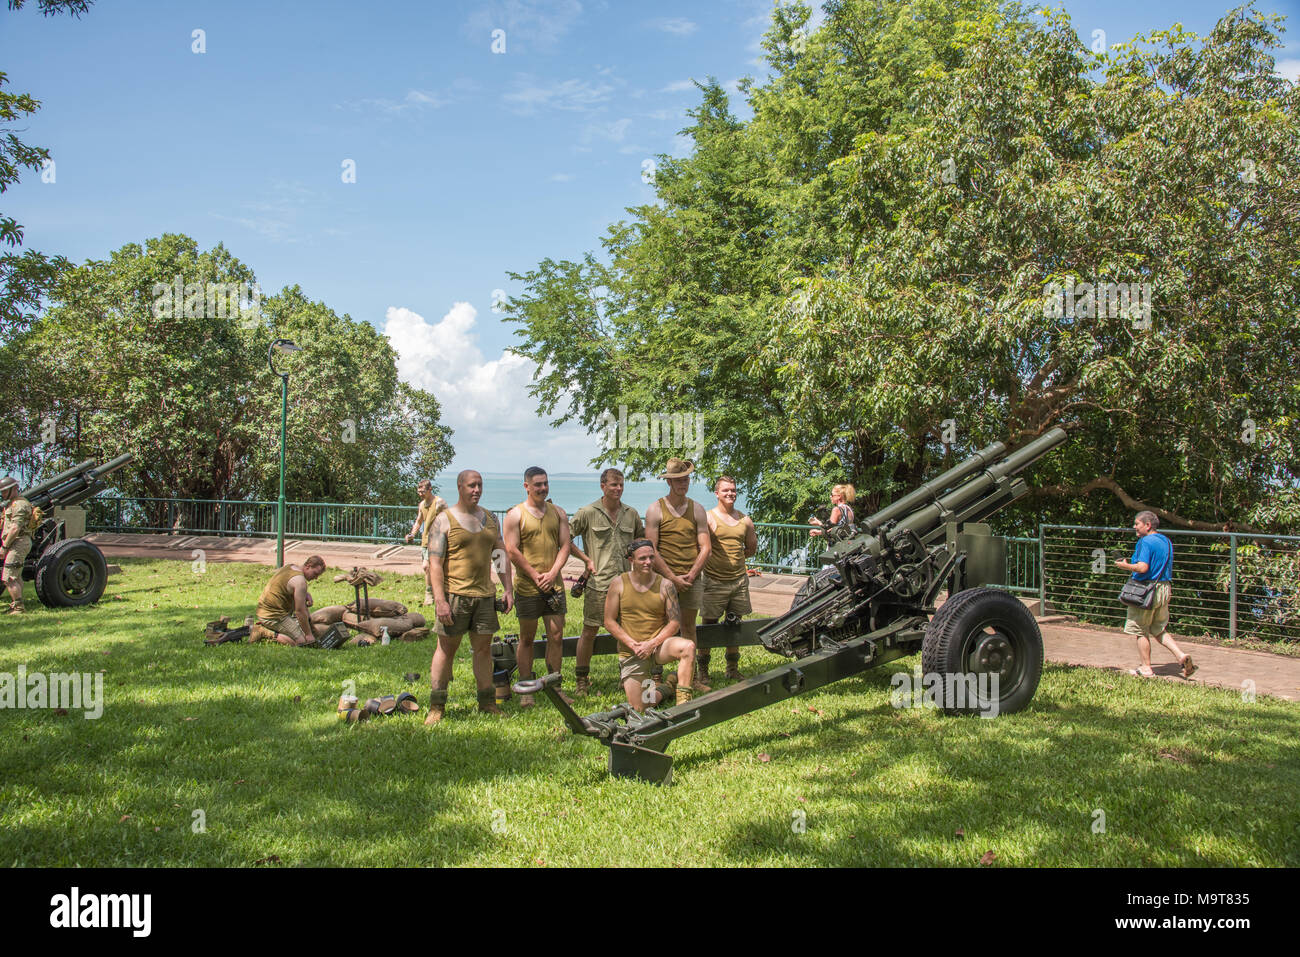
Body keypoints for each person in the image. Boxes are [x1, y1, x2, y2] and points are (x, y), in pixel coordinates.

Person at [425, 470, 514, 724]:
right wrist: (440, 600)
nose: (476, 490)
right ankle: (437, 705)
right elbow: (435, 565)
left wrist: (508, 589)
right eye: (471, 486)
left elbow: (500, 554)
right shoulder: (444, 520)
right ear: (460, 487)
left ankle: (487, 702)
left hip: (485, 596)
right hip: (455, 596)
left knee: (483, 650)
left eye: (480, 485)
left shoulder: (489, 518)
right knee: (446, 649)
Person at [567, 468, 645, 696]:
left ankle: (627, 678)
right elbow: (565, 538)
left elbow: (640, 540)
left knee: (628, 631)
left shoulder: (631, 514)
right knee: (589, 631)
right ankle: (582, 679)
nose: (618, 489)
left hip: (626, 585)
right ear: (603, 486)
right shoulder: (587, 513)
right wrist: (585, 559)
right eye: (613, 485)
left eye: (621, 485)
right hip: (597, 584)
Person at [503, 467, 572, 707]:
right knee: (527, 638)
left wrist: (552, 573)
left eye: (545, 483)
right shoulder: (515, 515)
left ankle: (555, 686)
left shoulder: (559, 513)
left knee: (556, 635)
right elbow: (511, 550)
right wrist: (534, 575)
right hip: (527, 587)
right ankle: (526, 688)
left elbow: (565, 545)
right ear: (527, 486)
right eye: (537, 484)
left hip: (554, 587)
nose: (542, 488)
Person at [605, 539, 697, 711]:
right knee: (642, 707)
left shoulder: (666, 585)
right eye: (642, 558)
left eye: (651, 557)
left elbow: (675, 622)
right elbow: (609, 621)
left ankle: (683, 704)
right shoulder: (618, 583)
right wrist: (633, 644)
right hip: (632, 651)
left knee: (688, 647)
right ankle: (668, 687)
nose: (648, 562)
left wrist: (651, 644)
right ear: (631, 560)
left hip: (658, 647)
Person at [645, 457, 712, 692]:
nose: (683, 484)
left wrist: (692, 575)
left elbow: (705, 546)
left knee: (689, 627)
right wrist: (673, 578)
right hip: (663, 580)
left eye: (686, 479)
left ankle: (690, 678)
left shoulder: (698, 509)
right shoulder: (655, 509)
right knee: (660, 625)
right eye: (678, 480)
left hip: (691, 579)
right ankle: (655, 677)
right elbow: (651, 549)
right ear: (670, 483)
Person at [1114, 510, 1197, 679]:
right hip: (1164, 588)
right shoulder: (1166, 541)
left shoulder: (1146, 542)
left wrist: (1125, 566)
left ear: (1147, 525)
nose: (1134, 527)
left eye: (1137, 524)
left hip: (1146, 591)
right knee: (1158, 628)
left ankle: (1146, 668)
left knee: (1140, 630)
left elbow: (1143, 567)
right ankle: (1180, 656)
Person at [700, 475, 758, 683]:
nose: (730, 493)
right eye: (726, 490)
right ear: (717, 493)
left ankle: (732, 668)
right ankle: (703, 671)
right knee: (708, 625)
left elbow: (751, 548)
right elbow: (700, 547)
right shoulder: (707, 518)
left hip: (739, 582)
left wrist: (735, 561)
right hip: (713, 581)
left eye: (733, 490)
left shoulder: (745, 520)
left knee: (735, 624)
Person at [253, 556, 329, 645]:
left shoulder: (291, 567)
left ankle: (269, 628)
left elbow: (288, 585)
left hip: (264, 610)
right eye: (315, 574)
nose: (316, 578)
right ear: (308, 566)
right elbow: (300, 611)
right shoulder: (300, 582)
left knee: (304, 629)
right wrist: (308, 635)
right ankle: (264, 631)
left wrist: (305, 594)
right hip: (273, 616)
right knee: (302, 642)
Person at [405, 479, 448, 606]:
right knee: (428, 569)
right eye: (419, 492)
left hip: (438, 540)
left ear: (430, 490)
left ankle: (430, 594)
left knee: (428, 566)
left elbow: (448, 519)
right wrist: (413, 533)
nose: (420, 494)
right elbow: (419, 521)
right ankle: (433, 593)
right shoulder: (422, 505)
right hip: (425, 541)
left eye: (423, 491)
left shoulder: (439, 503)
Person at [1, 476, 34, 615]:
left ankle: (19, 608)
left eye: (4, 491)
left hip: (19, 542)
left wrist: (4, 547)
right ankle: (17, 604)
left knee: (9, 577)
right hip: (17, 542)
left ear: (13, 489)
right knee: (16, 575)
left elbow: (15, 528)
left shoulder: (20, 505)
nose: (2, 494)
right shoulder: (12, 504)